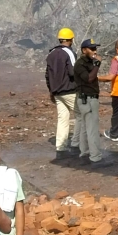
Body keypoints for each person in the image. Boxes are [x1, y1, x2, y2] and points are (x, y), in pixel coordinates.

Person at [74, 39, 110, 168]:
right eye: (92, 49)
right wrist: (97, 64)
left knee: (85, 127)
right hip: (87, 99)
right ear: (84, 50)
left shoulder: (88, 63)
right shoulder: (80, 64)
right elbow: (89, 79)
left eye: (95, 48)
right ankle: (95, 158)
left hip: (88, 98)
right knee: (92, 129)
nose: (95, 51)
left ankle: (85, 153)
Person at [44, 27, 79, 160]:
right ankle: (76, 144)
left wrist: (51, 91)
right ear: (71, 40)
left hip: (57, 92)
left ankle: (61, 148)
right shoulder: (69, 53)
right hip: (69, 90)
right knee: (82, 115)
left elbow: (47, 75)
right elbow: (73, 72)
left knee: (62, 119)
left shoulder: (51, 53)